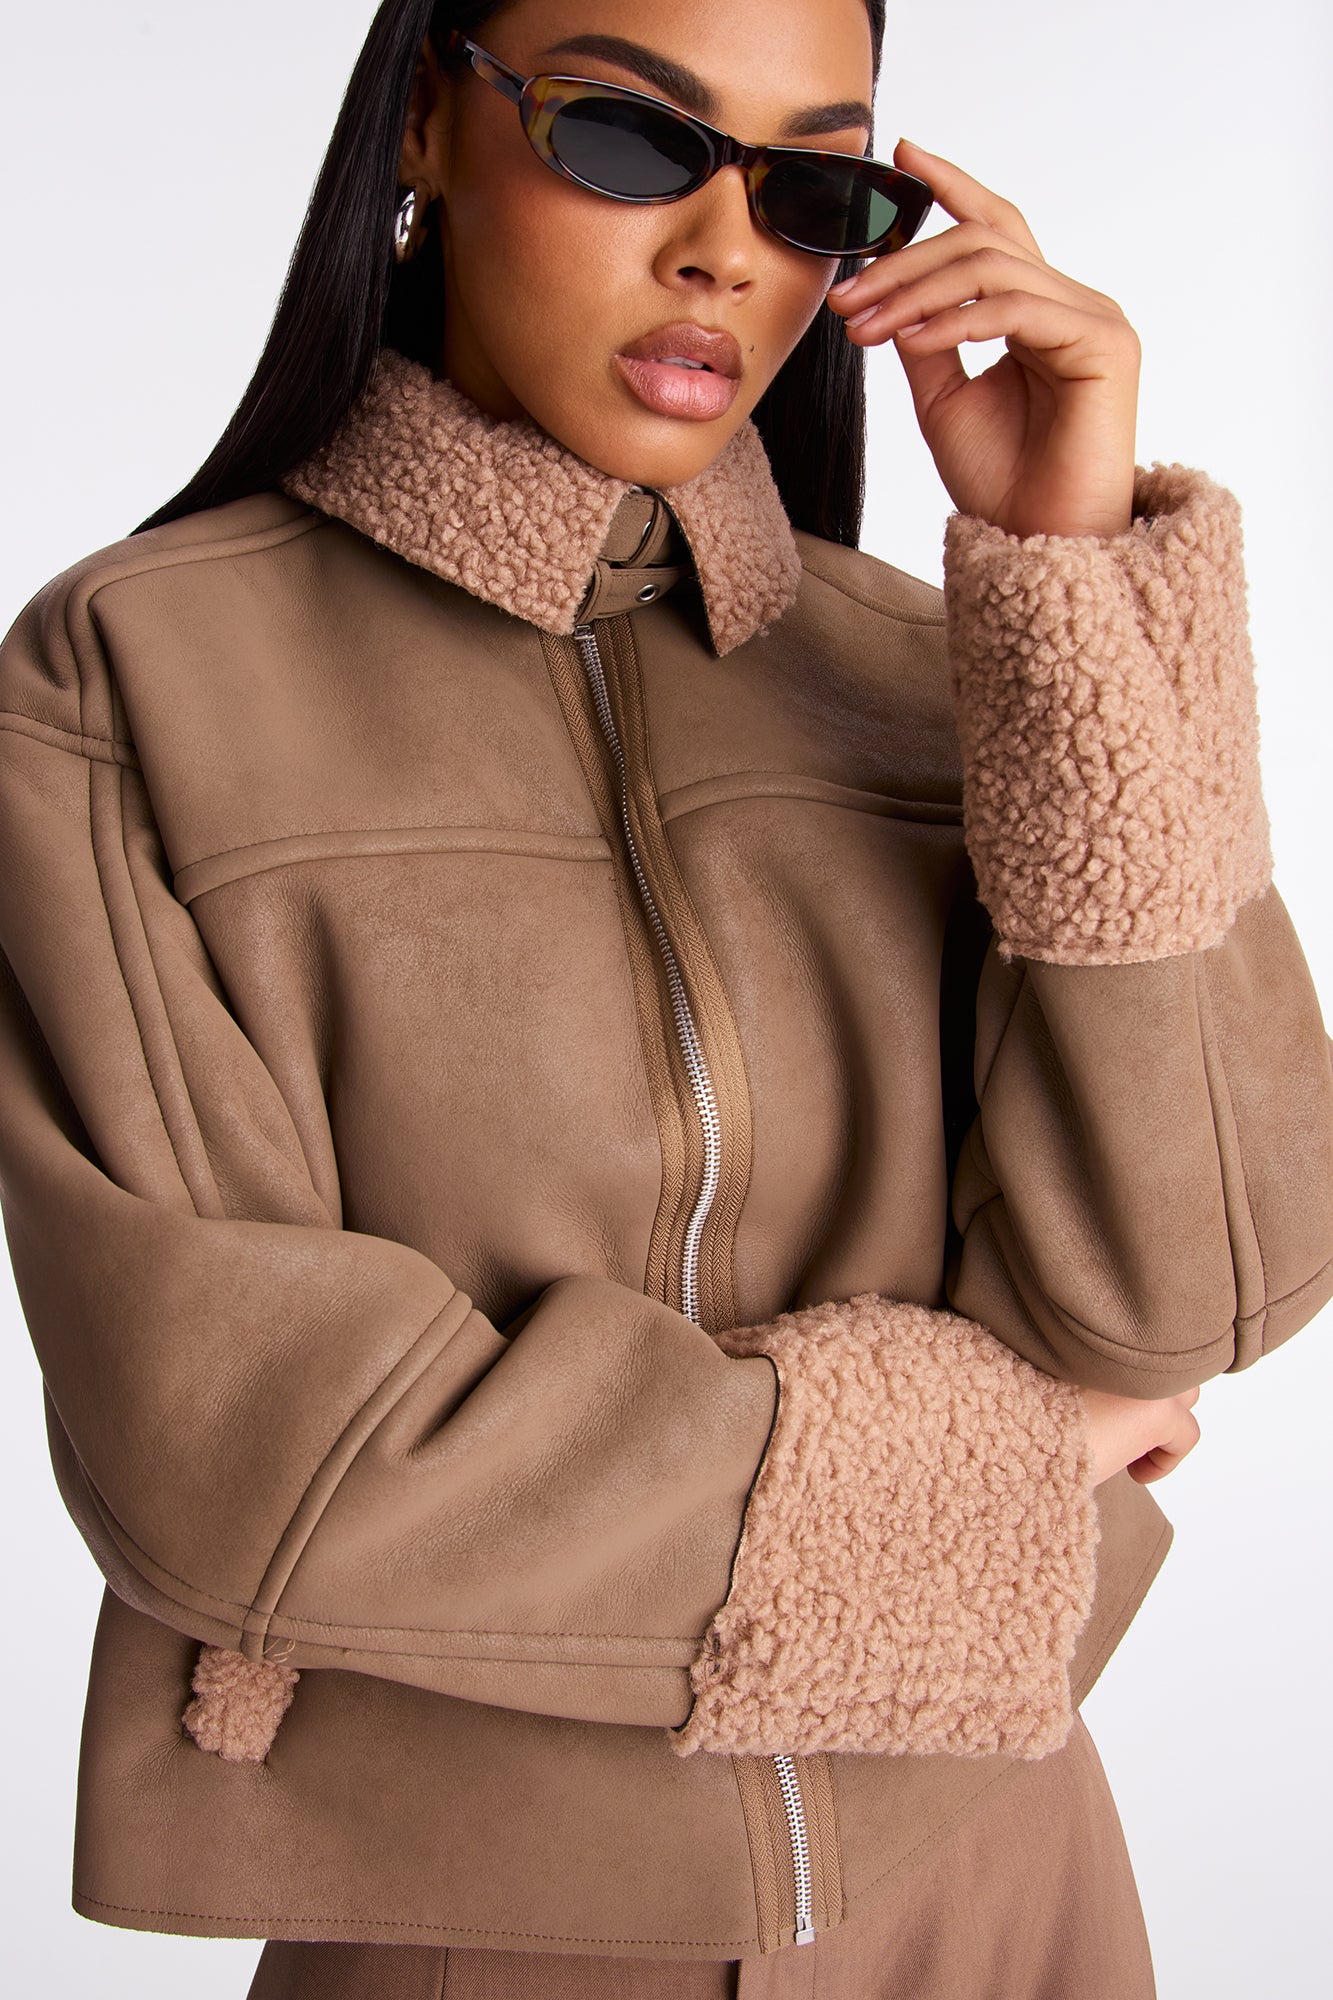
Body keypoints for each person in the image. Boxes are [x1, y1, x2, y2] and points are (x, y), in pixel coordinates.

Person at [1, 0, 1329, 1995]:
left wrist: (1065, 585)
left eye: (810, 187)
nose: (723, 250)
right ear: (424, 127)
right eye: (629, 137)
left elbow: (1194, 1292)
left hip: (996, 1884)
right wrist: (993, 1460)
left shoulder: (935, 675)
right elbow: (252, 1460)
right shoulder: (138, 681)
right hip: (482, 1924)